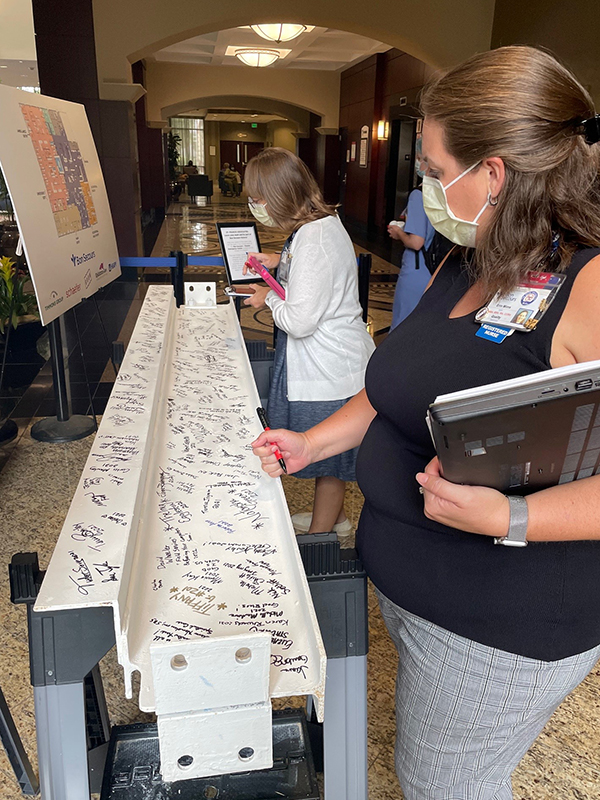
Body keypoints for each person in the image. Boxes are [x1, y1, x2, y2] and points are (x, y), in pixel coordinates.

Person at [251, 46, 600, 800]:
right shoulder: (474, 256)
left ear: (496, 173)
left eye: (438, 172)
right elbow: (396, 388)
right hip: (417, 587)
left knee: (447, 786)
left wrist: (511, 516)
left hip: (503, 619)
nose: (429, 189)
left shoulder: (590, 283)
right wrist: (312, 441)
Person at [242, 147, 375, 535]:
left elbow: (300, 320)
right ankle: (334, 517)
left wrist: (267, 299)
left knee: (328, 460)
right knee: (328, 457)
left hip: (328, 365)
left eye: (258, 197)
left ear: (280, 194)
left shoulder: (313, 239)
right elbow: (312, 275)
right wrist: (278, 262)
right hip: (331, 360)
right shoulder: (318, 225)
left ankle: (321, 536)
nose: (255, 205)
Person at [387, 140, 435, 329]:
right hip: (437, 270)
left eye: (418, 158)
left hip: (417, 269)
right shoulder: (445, 194)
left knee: (403, 325)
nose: (417, 163)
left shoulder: (418, 195)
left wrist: (399, 233)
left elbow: (416, 242)